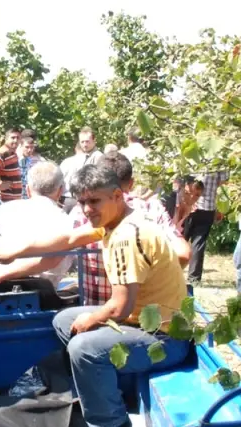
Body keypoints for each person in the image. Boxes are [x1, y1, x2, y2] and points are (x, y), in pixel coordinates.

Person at [0, 162, 190, 427]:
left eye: (94, 201)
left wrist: (92, 319)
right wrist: (12, 254)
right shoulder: (116, 221)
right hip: (140, 323)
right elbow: (68, 239)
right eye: (82, 201)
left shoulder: (127, 237)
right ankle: (100, 389)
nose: (86, 209)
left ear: (117, 196)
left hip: (165, 339)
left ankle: (113, 424)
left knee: (84, 347)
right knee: (63, 320)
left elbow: (120, 308)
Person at [74, 158, 191, 306]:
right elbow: (183, 254)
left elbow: (65, 242)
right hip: (144, 307)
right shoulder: (151, 209)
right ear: (131, 183)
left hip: (109, 307)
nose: (87, 208)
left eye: (94, 200)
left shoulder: (85, 214)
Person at [0, 161, 74, 292]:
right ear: (60, 191)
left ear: (28, 190)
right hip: (46, 297)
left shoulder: (8, 209)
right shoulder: (67, 221)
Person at [179, 168, 230, 283]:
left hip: (189, 205)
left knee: (180, 240)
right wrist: (220, 208)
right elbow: (223, 187)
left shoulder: (192, 156)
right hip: (207, 208)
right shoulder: (220, 162)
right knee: (198, 243)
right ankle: (194, 278)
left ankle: (172, 272)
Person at [59, 127, 104, 212]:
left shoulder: (98, 156)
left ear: (94, 141)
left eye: (87, 141)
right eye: (82, 142)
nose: (84, 144)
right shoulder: (84, 156)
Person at [17, 129, 44, 197]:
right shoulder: (14, 158)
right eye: (27, 147)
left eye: (32, 147)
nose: (29, 150)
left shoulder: (37, 159)